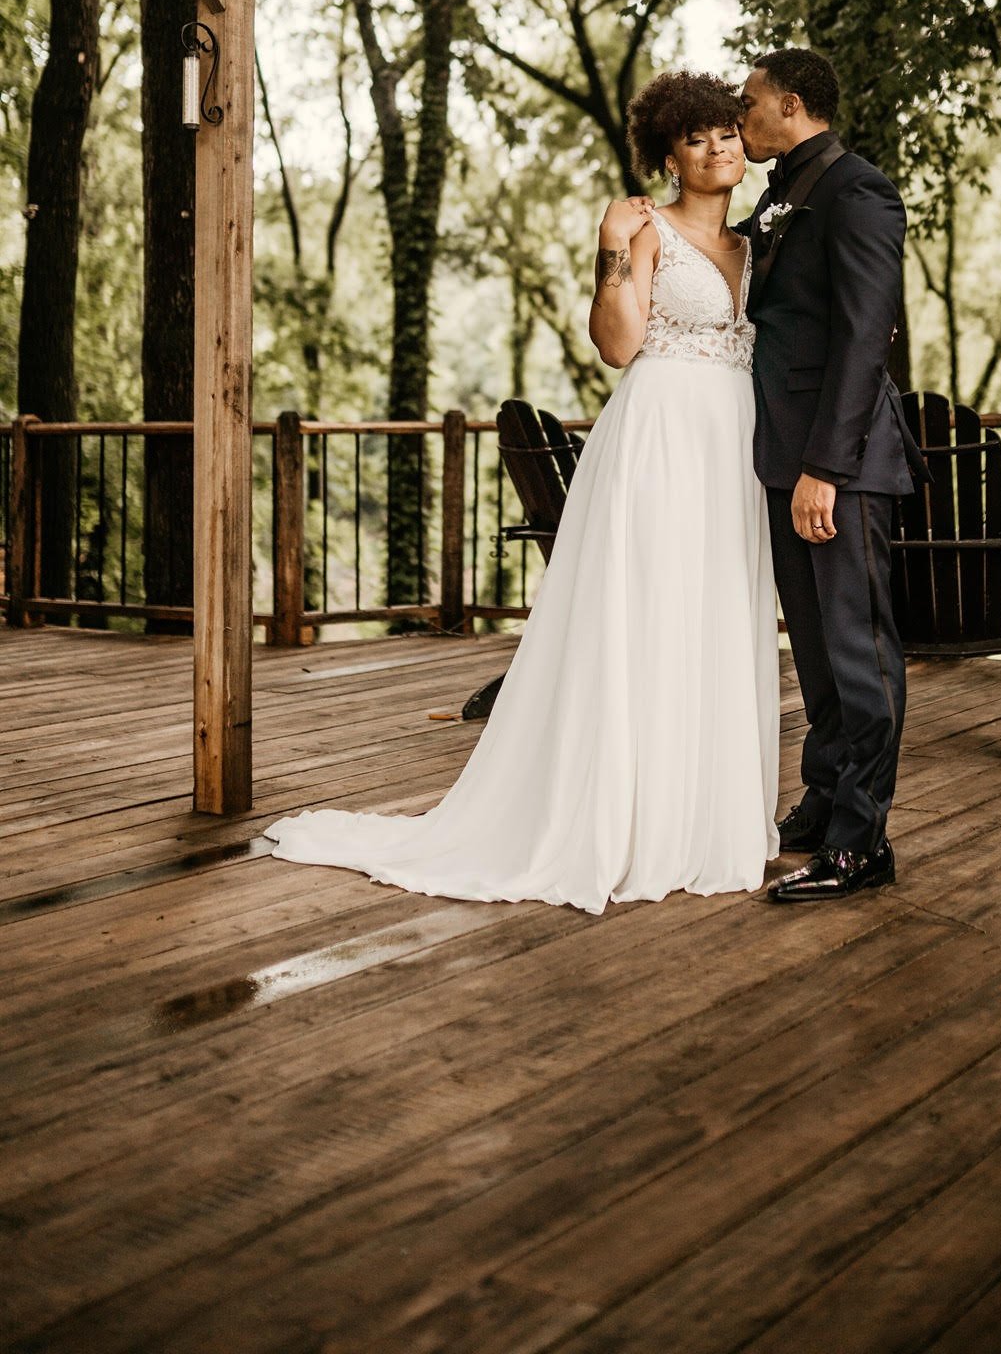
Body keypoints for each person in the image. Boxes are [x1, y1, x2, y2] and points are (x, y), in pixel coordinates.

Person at [264, 71, 779, 915]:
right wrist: (611, 250)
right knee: (643, 613)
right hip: (658, 435)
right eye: (696, 138)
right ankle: (621, 819)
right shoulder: (645, 230)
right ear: (670, 157)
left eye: (727, 131)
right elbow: (617, 346)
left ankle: (699, 816)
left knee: (712, 611)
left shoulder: (759, 243)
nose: (718, 147)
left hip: (732, 440)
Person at [737, 48, 925, 902]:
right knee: (814, 651)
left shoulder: (857, 191)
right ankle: (820, 803)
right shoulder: (780, 193)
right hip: (782, 456)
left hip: (835, 463)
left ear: (793, 104)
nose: (742, 118)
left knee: (859, 653)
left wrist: (823, 469)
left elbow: (862, 335)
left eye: (750, 104)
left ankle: (861, 844)